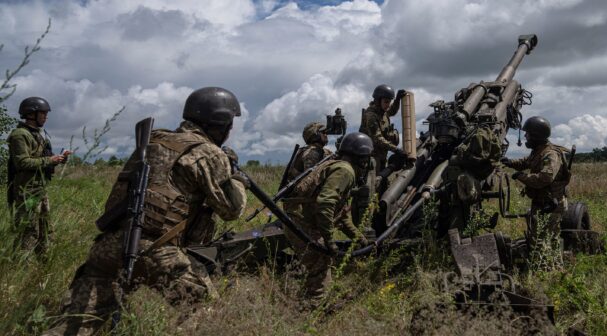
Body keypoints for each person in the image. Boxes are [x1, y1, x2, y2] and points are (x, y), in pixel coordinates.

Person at [44, 87, 247, 335]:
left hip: (109, 245)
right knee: (207, 315)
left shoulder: (154, 139)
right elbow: (231, 210)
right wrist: (236, 179)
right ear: (222, 122)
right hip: (157, 251)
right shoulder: (208, 152)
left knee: (76, 323)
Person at [282, 132, 372, 306]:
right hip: (301, 221)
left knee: (321, 262)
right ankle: (314, 306)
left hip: (299, 219)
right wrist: (329, 241)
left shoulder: (339, 167)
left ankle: (315, 300)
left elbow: (341, 217)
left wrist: (360, 239)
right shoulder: (345, 171)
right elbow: (325, 204)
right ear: (363, 158)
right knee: (321, 259)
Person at [7, 96, 71, 254]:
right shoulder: (19, 135)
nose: (46, 117)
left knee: (45, 231)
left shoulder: (37, 135)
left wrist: (59, 159)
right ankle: (22, 268)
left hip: (40, 190)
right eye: (43, 113)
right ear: (31, 114)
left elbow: (41, 160)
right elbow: (22, 162)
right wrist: (49, 160)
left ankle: (42, 264)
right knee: (28, 231)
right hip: (27, 192)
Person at [501, 116, 571, 248]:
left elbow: (544, 179)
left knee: (545, 242)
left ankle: (550, 266)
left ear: (536, 135)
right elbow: (526, 162)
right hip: (541, 202)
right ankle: (544, 264)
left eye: (528, 133)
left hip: (551, 204)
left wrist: (521, 176)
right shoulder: (538, 151)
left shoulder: (550, 154)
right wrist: (510, 162)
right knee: (538, 239)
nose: (525, 136)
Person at [359, 84, 407, 172]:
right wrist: (396, 149)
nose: (388, 105)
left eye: (389, 102)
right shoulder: (371, 116)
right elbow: (378, 139)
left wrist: (397, 99)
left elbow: (392, 111)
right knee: (374, 182)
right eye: (386, 102)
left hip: (381, 155)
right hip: (372, 157)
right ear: (378, 101)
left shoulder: (382, 111)